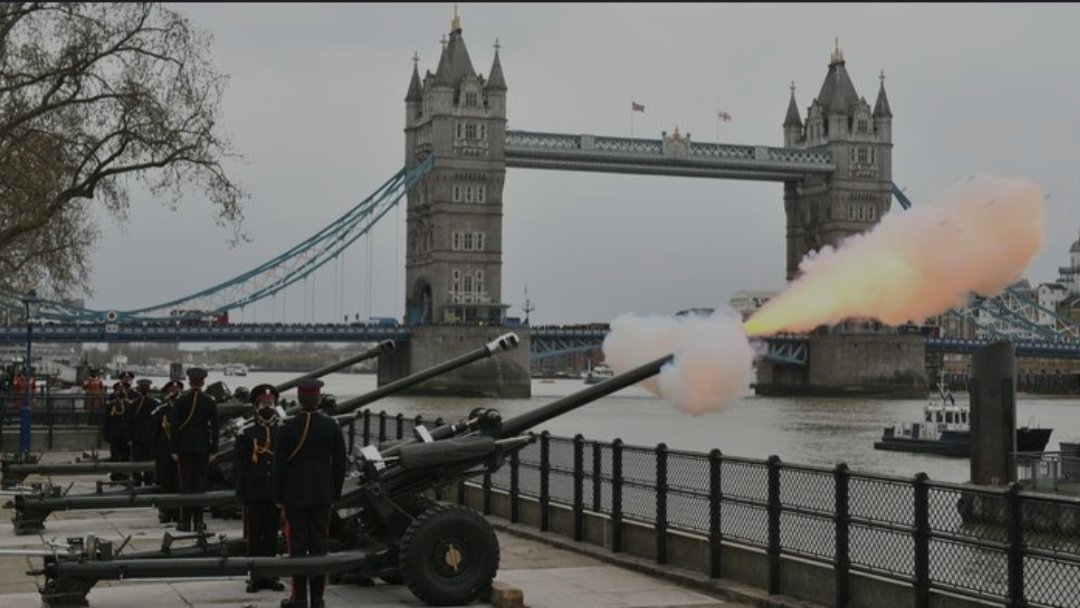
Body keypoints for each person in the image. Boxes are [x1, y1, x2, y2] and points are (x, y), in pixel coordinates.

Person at [274, 379, 346, 608]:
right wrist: (334, 493)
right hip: (323, 495)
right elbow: (340, 465)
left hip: (294, 495)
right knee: (319, 546)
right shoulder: (332, 426)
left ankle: (299, 598)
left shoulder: (287, 427)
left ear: (298, 400)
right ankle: (318, 598)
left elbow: (279, 467)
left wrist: (278, 496)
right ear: (319, 398)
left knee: (296, 547)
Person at [234, 383, 286, 593]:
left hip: (274, 490)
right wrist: (240, 492)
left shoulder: (282, 429)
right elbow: (240, 464)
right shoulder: (246, 430)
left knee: (272, 536)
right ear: (256, 405)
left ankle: (271, 575)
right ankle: (256, 576)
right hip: (254, 490)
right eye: (264, 403)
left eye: (271, 403)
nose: (267, 406)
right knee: (255, 536)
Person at [169, 367, 219, 532]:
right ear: (203, 382)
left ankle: (185, 521)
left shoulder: (181, 401)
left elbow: (174, 427)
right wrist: (214, 450)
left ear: (189, 382)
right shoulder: (210, 401)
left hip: (184, 447)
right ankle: (199, 521)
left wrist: (174, 449)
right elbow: (214, 428)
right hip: (203, 447)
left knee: (186, 484)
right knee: (200, 484)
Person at [151, 380, 183, 523]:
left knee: (178, 483)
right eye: (172, 390)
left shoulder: (184, 409)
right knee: (164, 483)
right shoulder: (161, 410)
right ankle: (165, 511)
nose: (175, 392)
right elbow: (155, 432)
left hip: (180, 452)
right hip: (164, 451)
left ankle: (177, 511)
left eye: (178, 390)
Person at [127, 379, 158, 487]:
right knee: (149, 459)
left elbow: (129, 421)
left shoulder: (134, 403)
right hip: (149, 437)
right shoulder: (155, 403)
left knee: (136, 461)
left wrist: (129, 437)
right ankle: (148, 481)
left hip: (137, 437)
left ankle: (137, 481)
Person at [101, 382, 131, 481]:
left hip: (126, 435)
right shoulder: (111, 405)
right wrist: (106, 434)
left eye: (123, 388)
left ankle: (125, 475)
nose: (121, 390)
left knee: (126, 456)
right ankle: (115, 475)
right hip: (115, 434)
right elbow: (106, 420)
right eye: (119, 389)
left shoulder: (129, 404)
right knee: (115, 456)